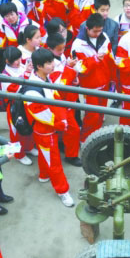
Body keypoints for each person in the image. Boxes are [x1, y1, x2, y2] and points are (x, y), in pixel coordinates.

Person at [24, 48, 74, 207]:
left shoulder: (44, 78)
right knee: (53, 160)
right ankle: (63, 191)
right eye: (49, 63)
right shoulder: (33, 89)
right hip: (44, 130)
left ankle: (44, 175)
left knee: (44, 154)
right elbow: (41, 113)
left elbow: (52, 97)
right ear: (39, 66)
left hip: (46, 128)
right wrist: (60, 122)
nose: (53, 65)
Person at [71, 13, 115, 142]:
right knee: (91, 115)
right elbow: (78, 67)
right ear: (87, 29)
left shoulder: (104, 37)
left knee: (100, 113)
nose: (98, 34)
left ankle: (97, 136)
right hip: (89, 87)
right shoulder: (78, 45)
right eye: (95, 31)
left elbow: (110, 58)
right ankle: (85, 140)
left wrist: (112, 78)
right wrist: (94, 59)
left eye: (100, 30)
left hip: (104, 83)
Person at [0, 47, 37, 166]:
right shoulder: (5, 75)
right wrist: (27, 74)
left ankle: (28, 147)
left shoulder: (22, 67)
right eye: (15, 60)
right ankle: (19, 155)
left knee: (29, 127)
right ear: (7, 61)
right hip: (14, 106)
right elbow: (13, 89)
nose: (19, 61)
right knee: (16, 131)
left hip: (25, 104)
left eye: (19, 58)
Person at [46, 33, 81, 167]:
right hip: (61, 102)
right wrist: (70, 69)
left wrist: (74, 76)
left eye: (63, 49)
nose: (62, 51)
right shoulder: (50, 64)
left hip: (68, 99)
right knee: (73, 129)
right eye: (59, 49)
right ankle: (71, 156)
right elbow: (60, 84)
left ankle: (64, 144)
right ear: (50, 49)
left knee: (67, 128)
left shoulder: (60, 56)